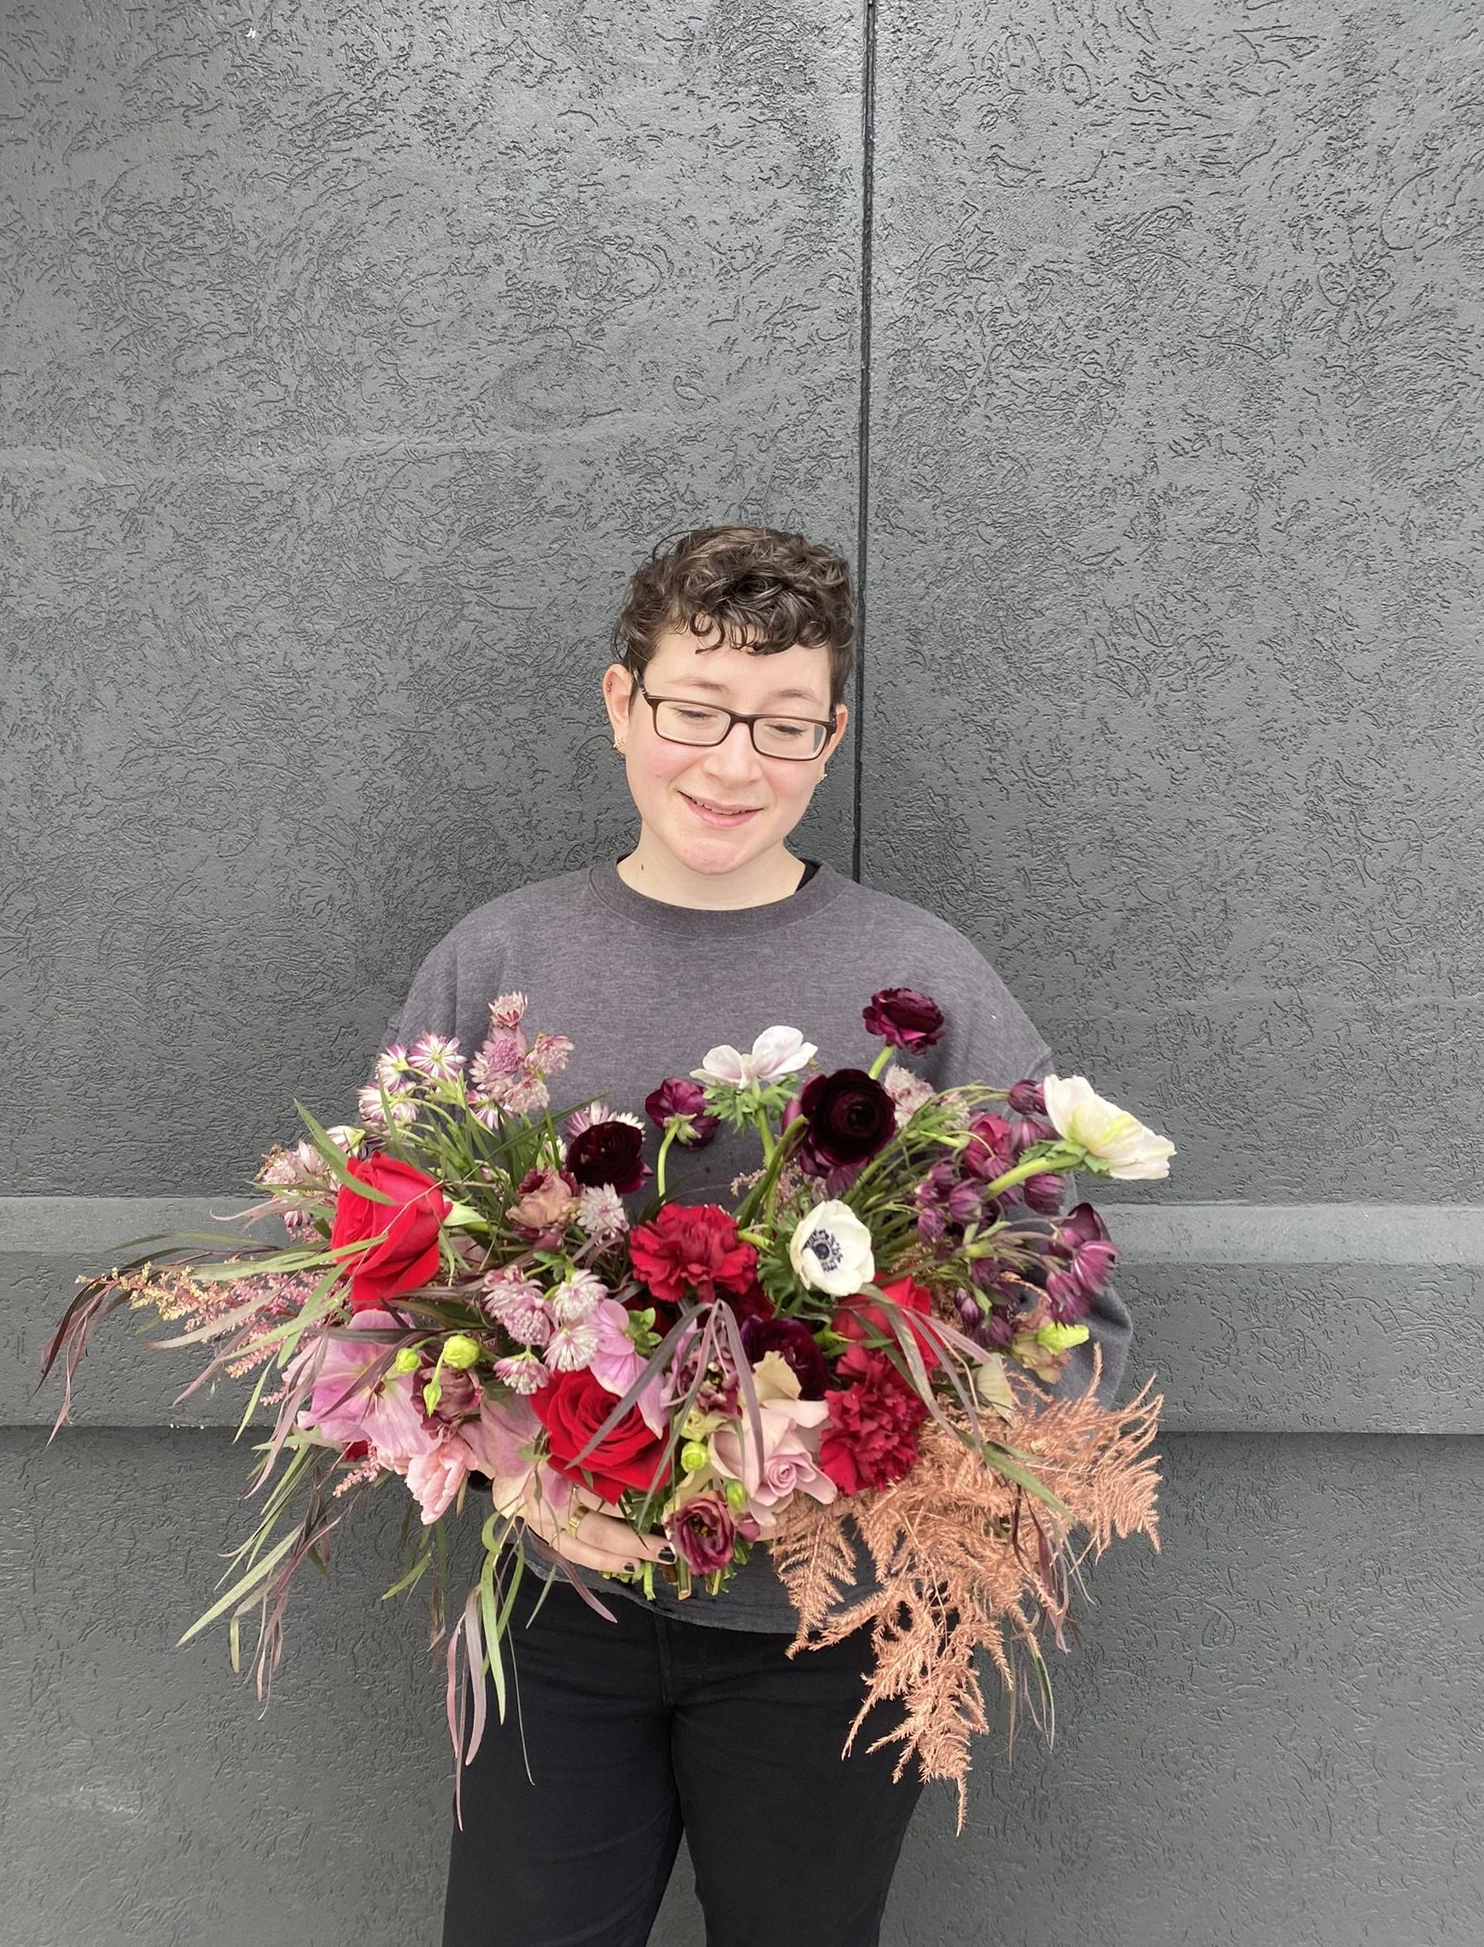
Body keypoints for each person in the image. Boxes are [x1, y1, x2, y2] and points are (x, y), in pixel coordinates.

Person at [373, 523, 1134, 1947]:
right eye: (698, 712)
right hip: (560, 1617)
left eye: (782, 727)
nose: (734, 766)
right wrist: (507, 1472)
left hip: (827, 1630)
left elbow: (1068, 1311)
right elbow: (376, 1292)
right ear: (622, 703)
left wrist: (890, 1466)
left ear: (831, 735)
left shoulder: (923, 979)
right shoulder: (497, 966)